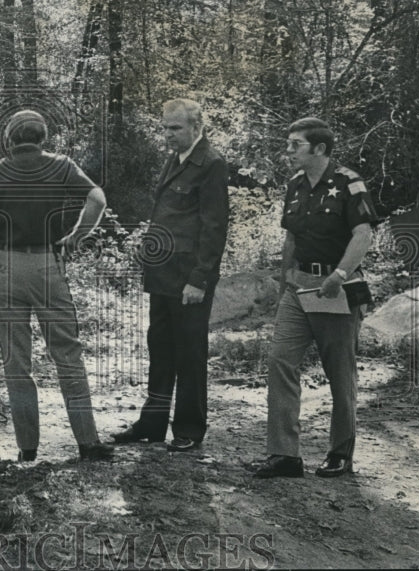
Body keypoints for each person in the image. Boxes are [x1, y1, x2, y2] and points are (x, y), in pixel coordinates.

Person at [0, 109, 114, 463]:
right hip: (48, 266)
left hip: (7, 268)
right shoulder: (61, 165)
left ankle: (28, 449)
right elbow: (97, 199)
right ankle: (87, 442)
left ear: (10, 140)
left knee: (16, 362)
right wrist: (77, 236)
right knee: (67, 355)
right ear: (42, 137)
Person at [254, 117, 377, 479]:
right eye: (288, 144)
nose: (288, 151)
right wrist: (283, 284)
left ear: (319, 149)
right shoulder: (294, 185)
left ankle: (340, 453)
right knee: (280, 361)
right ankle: (284, 455)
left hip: (336, 288)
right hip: (299, 287)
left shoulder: (349, 183)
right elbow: (290, 239)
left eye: (296, 145)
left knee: (339, 374)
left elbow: (363, 235)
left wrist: (339, 275)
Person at [112, 98, 229, 451]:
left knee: (190, 352)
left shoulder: (210, 163)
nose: (168, 135)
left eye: (175, 128)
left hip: (188, 277)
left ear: (197, 127)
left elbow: (214, 227)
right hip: (163, 274)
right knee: (160, 347)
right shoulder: (175, 159)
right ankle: (152, 423)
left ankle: (189, 430)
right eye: (165, 128)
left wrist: (200, 278)